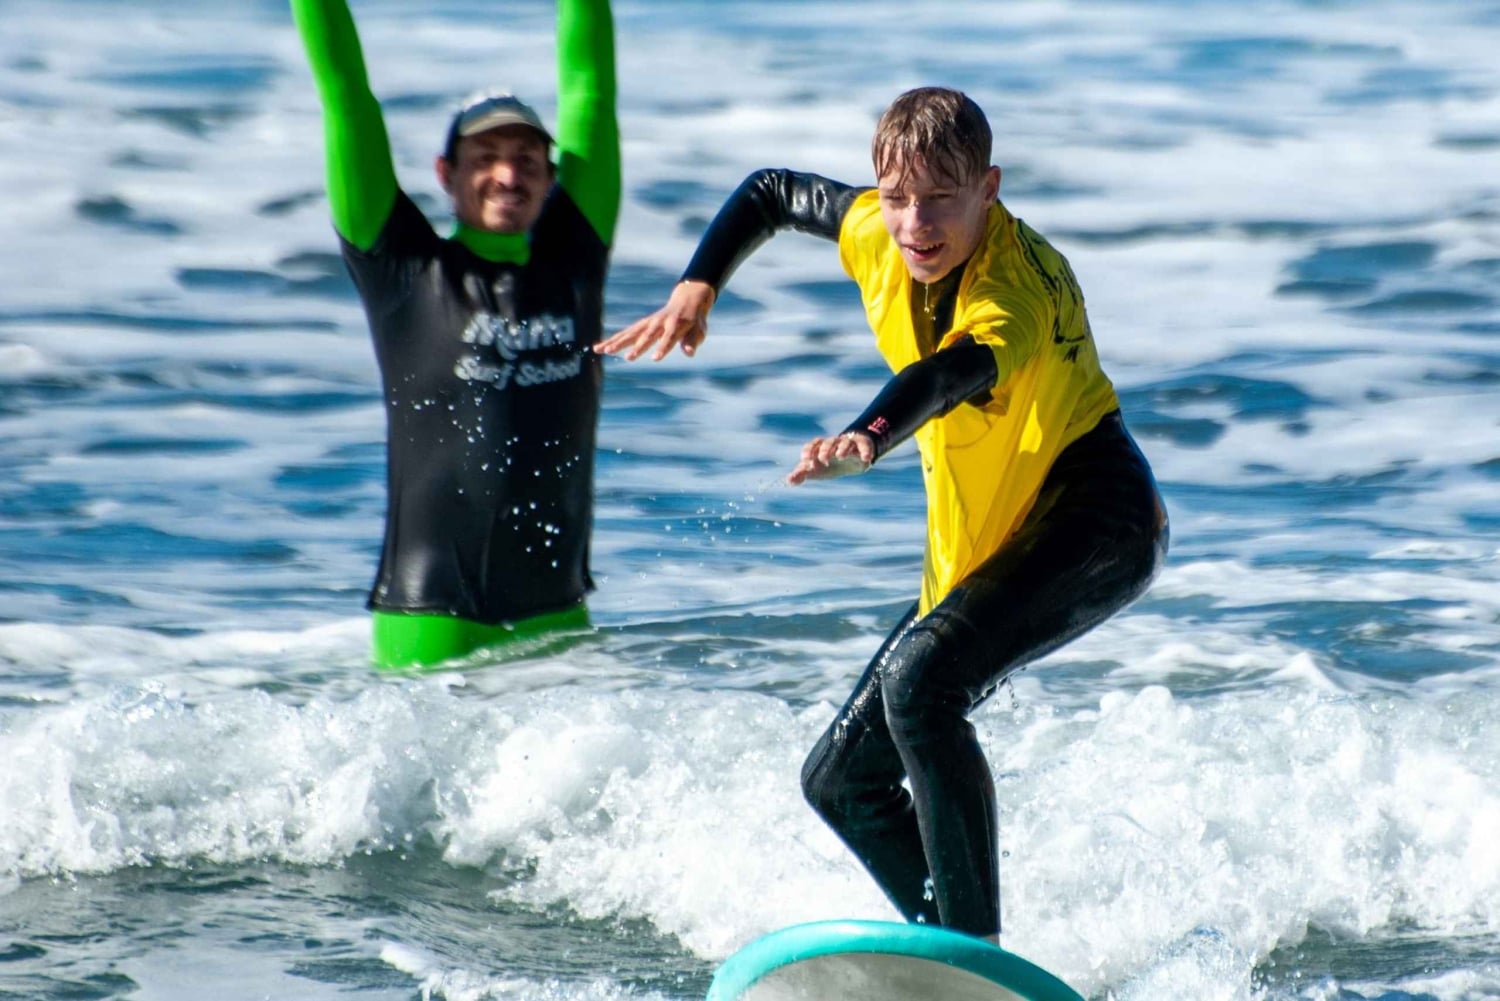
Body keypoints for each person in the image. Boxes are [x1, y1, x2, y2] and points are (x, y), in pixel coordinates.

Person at [598, 87, 1168, 941]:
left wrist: (867, 437)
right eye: (898, 197)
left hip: (1096, 516)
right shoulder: (880, 226)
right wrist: (697, 285)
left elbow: (945, 376)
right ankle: (949, 951)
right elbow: (773, 192)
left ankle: (975, 955)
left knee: (923, 687)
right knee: (841, 780)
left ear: (990, 188)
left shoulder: (1013, 293)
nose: (916, 223)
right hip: (1001, 521)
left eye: (942, 197)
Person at [288, 0, 620, 670]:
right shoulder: (404, 269)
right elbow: (345, 92)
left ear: (553, 176)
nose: (509, 173)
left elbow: (590, 86)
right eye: (487, 156)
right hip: (429, 618)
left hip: (558, 613)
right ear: (447, 174)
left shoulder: (574, 255)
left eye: (528, 157)